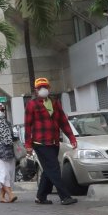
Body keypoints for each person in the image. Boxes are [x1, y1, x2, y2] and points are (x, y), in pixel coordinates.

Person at [24, 77, 79, 206]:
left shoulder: (55, 103)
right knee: (54, 168)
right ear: (36, 90)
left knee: (49, 169)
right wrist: (28, 145)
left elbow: (63, 122)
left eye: (45, 87)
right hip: (40, 143)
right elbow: (27, 125)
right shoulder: (32, 105)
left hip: (54, 142)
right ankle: (65, 196)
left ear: (49, 88)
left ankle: (41, 196)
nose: (43, 89)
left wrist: (72, 137)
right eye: (40, 87)